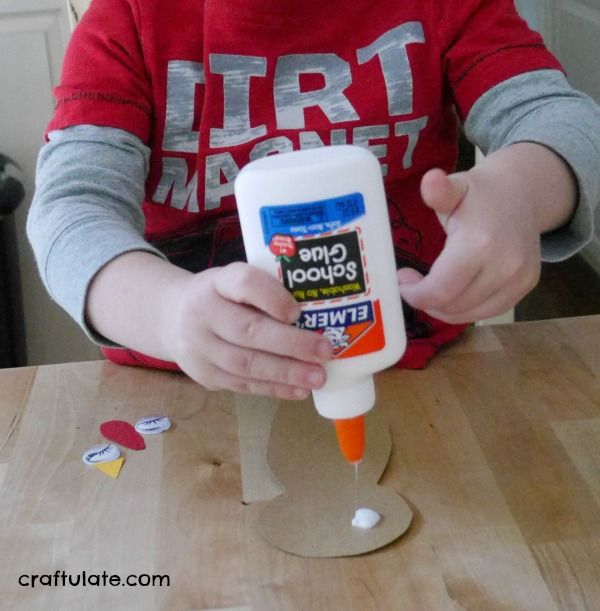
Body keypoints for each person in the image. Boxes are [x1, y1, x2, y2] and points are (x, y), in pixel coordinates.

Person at [28, 0, 600, 400]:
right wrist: (165, 311)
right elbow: (72, 208)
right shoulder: (127, 19)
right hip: (187, 386)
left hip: (407, 369)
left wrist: (521, 190)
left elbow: (558, 116)